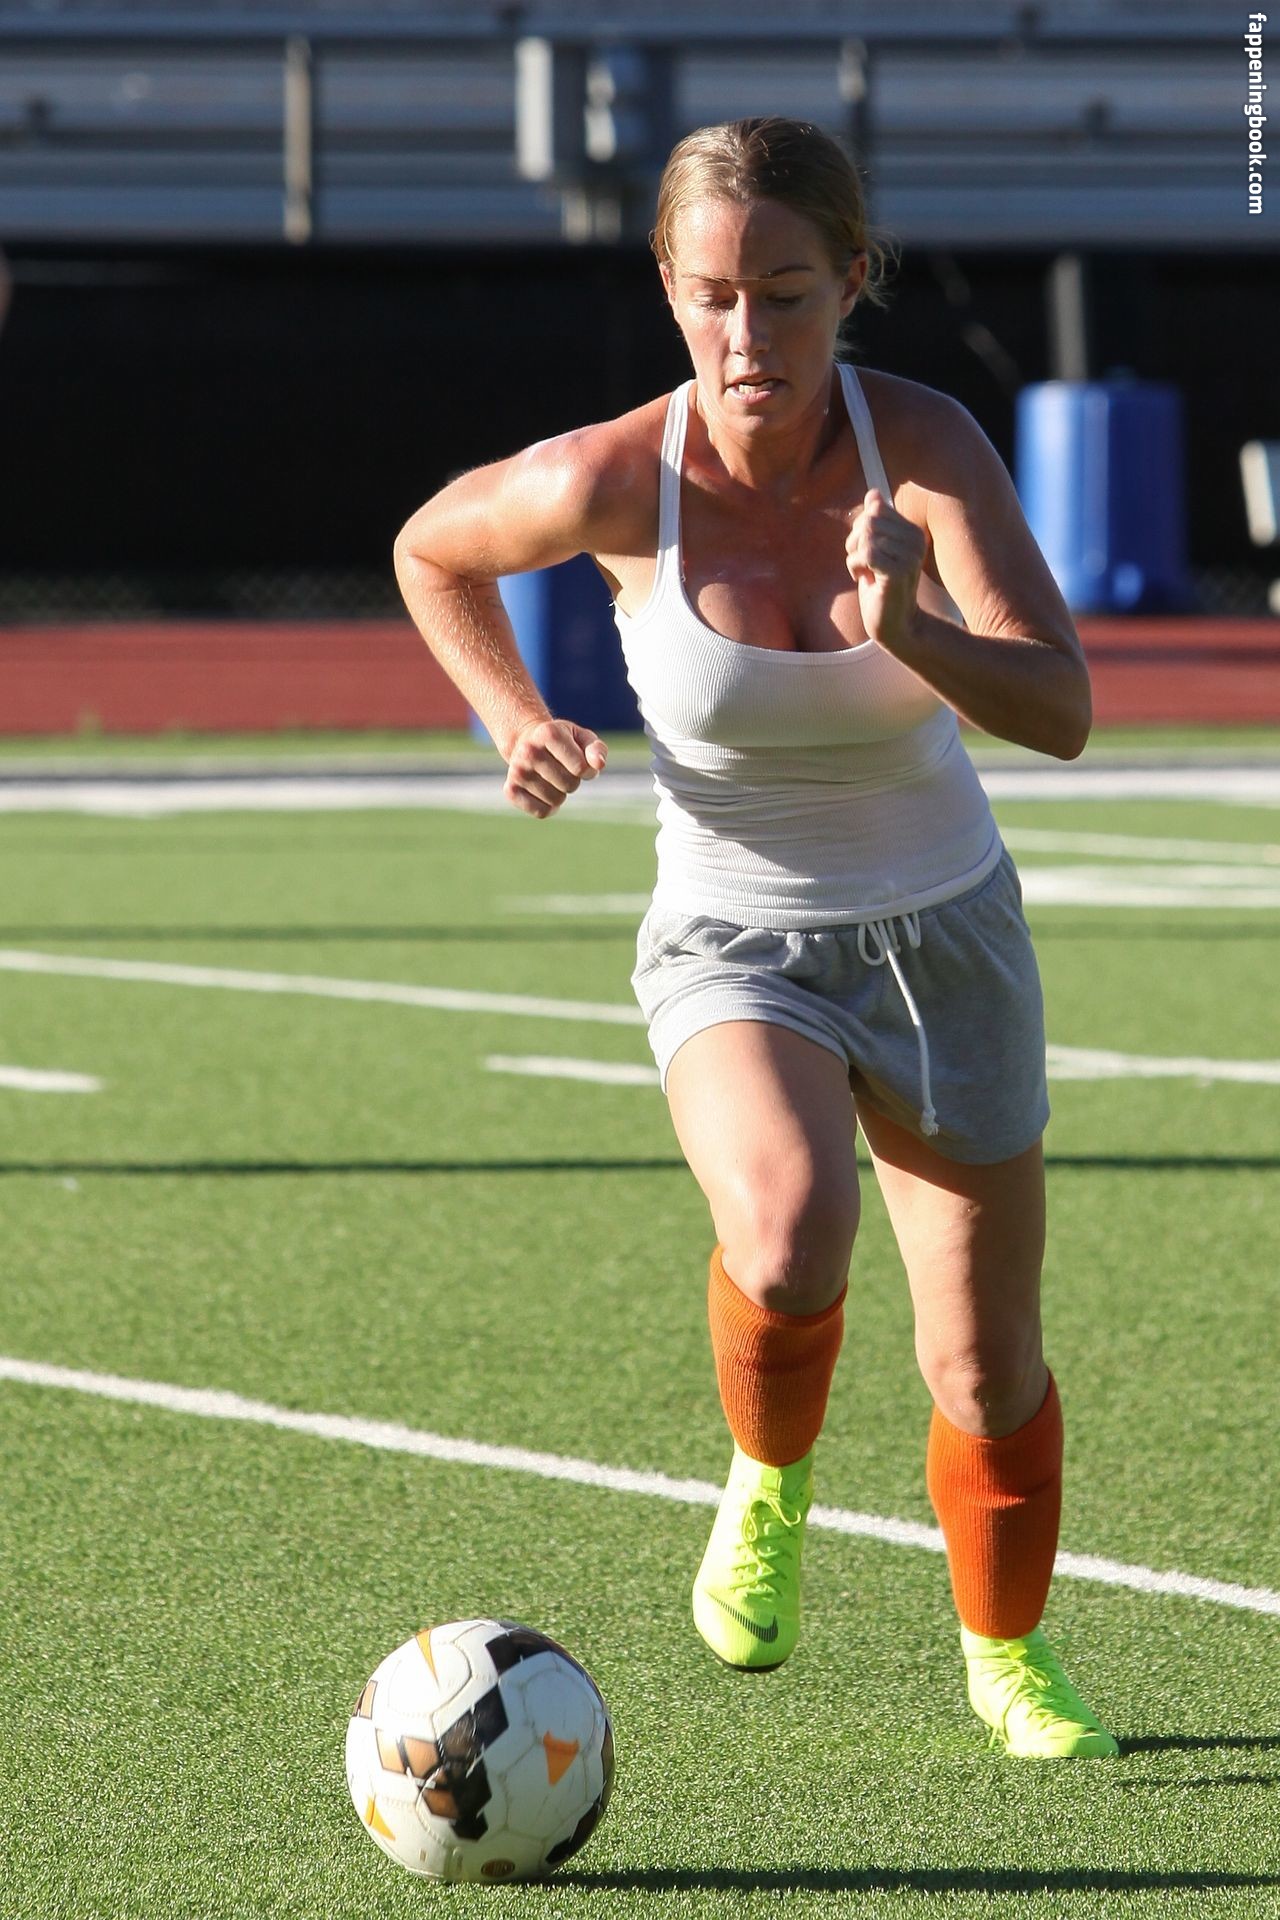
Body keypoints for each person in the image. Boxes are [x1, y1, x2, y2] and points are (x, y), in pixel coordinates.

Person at [394, 116, 1116, 1760]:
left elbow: (1062, 708)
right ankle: (768, 1478)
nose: (746, 336)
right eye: (713, 294)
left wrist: (914, 626)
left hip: (947, 938)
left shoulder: (922, 443)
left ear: (852, 282)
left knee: (985, 1364)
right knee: (788, 1236)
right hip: (736, 938)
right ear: (668, 284)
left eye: (785, 295)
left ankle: (1007, 1656)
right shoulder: (608, 478)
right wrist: (510, 711)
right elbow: (431, 550)